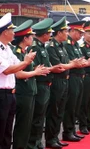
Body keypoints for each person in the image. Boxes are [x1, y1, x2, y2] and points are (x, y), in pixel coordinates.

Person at [45, 17, 83, 148]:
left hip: (65, 81)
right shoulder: (51, 47)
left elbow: (65, 64)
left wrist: (70, 64)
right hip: (57, 81)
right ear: (59, 32)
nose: (67, 33)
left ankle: (56, 137)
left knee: (61, 111)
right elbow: (58, 66)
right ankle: (50, 139)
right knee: (54, 112)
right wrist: (72, 64)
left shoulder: (62, 46)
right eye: (66, 31)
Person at [12, 20, 50, 149]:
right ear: (25, 38)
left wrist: (36, 70)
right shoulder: (17, 53)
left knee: (28, 124)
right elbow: (19, 73)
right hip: (23, 92)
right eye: (30, 36)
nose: (32, 38)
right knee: (22, 125)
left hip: (30, 91)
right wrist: (35, 72)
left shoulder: (24, 52)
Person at [27, 18, 65, 149]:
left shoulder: (42, 47)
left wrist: (51, 68)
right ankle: (32, 143)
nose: (50, 36)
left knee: (41, 116)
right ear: (44, 34)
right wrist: (52, 69)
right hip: (39, 85)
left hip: (46, 85)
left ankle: (38, 142)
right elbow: (39, 68)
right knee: (37, 117)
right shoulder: (35, 48)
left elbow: (46, 65)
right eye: (49, 33)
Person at [0, 13, 36, 149]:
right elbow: (8, 70)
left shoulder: (8, 49)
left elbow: (18, 64)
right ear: (4, 32)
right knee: (1, 129)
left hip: (10, 94)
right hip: (1, 95)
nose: (14, 33)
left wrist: (26, 61)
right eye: (11, 30)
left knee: (8, 130)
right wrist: (26, 62)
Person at [62, 20, 90, 142]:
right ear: (72, 31)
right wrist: (86, 63)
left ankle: (72, 130)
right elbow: (73, 62)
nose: (81, 35)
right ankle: (68, 131)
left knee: (76, 105)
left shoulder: (75, 45)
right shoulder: (67, 44)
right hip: (73, 77)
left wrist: (86, 62)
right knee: (70, 106)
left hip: (80, 77)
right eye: (79, 32)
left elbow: (80, 60)